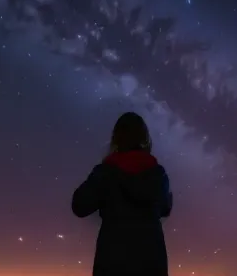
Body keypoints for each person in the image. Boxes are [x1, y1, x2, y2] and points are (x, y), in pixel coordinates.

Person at [72, 112, 173, 276]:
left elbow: (79, 206)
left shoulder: (105, 173)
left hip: (112, 262)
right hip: (151, 262)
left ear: (116, 139)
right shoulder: (158, 175)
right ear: (145, 140)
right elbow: (164, 207)